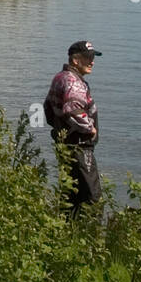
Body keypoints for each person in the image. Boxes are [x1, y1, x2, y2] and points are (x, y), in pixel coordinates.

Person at [44, 41, 103, 211]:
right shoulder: (74, 83)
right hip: (80, 146)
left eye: (93, 58)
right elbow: (72, 110)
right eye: (89, 58)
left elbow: (47, 108)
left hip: (64, 144)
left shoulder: (60, 77)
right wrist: (90, 129)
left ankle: (67, 229)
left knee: (70, 193)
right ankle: (90, 232)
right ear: (76, 60)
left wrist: (58, 129)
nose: (92, 62)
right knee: (92, 196)